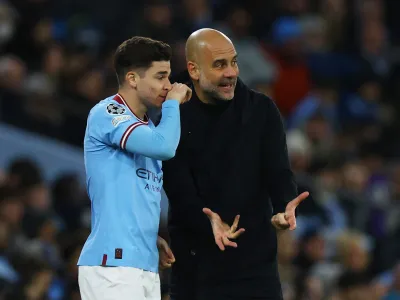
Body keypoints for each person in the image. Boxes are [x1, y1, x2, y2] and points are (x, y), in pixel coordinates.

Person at [162, 28, 309, 300]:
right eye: (219, 65)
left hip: (256, 268)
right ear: (194, 70)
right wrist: (208, 223)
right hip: (196, 268)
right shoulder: (171, 113)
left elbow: (278, 171)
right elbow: (178, 187)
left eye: (234, 62)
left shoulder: (262, 109)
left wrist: (283, 205)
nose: (231, 72)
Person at [77, 36, 192, 300]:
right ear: (132, 79)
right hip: (113, 265)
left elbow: (136, 193)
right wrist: (173, 103)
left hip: (142, 264)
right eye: (160, 76)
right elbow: (165, 147)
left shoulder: (148, 129)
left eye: (169, 77)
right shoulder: (108, 111)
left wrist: (148, 238)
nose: (169, 85)